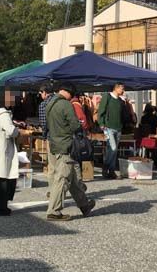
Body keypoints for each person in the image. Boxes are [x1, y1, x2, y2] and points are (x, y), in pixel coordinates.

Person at [45, 82, 95, 221]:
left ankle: (84, 205)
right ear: (68, 92)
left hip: (55, 144)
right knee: (63, 179)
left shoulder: (49, 104)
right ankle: (54, 211)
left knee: (72, 178)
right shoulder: (66, 105)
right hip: (66, 145)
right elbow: (75, 124)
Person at [0, 101, 20, 216]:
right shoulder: (4, 116)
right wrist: (17, 130)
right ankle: (1, 208)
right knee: (3, 181)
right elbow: (11, 131)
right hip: (3, 152)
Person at [97, 83, 125, 179]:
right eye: (122, 88)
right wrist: (101, 123)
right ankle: (106, 168)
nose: (123, 90)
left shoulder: (121, 101)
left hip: (118, 128)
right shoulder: (107, 97)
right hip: (109, 127)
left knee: (113, 150)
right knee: (112, 148)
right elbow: (101, 110)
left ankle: (111, 170)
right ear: (116, 88)